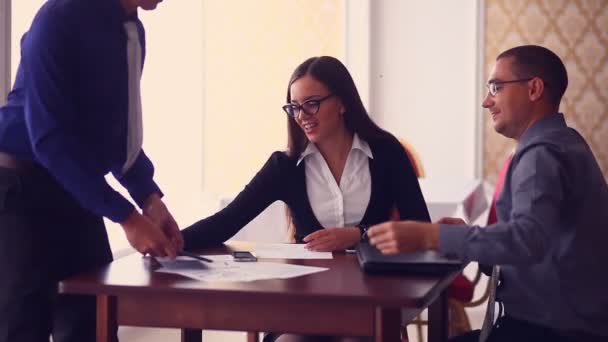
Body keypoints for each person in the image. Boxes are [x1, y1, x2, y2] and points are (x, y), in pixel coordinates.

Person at [367, 45, 608, 342]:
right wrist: (471, 236)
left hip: (553, 332)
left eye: (496, 87)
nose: (486, 101)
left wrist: (431, 236)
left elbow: (527, 240)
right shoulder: (564, 142)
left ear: (533, 89)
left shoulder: (542, 154)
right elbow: (541, 247)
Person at [182, 56, 429, 341]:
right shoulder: (284, 166)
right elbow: (225, 222)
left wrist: (359, 235)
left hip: (373, 298)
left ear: (342, 102)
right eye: (294, 107)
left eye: (311, 103)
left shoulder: (387, 153)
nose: (302, 115)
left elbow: (420, 226)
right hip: (306, 304)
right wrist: (172, 241)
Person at [0, 0, 183, 341]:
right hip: (22, 195)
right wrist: (126, 216)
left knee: (93, 326)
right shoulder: (59, 17)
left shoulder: (132, 31)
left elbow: (115, 133)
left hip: (77, 189)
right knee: (23, 329)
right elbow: (49, 137)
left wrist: (149, 198)